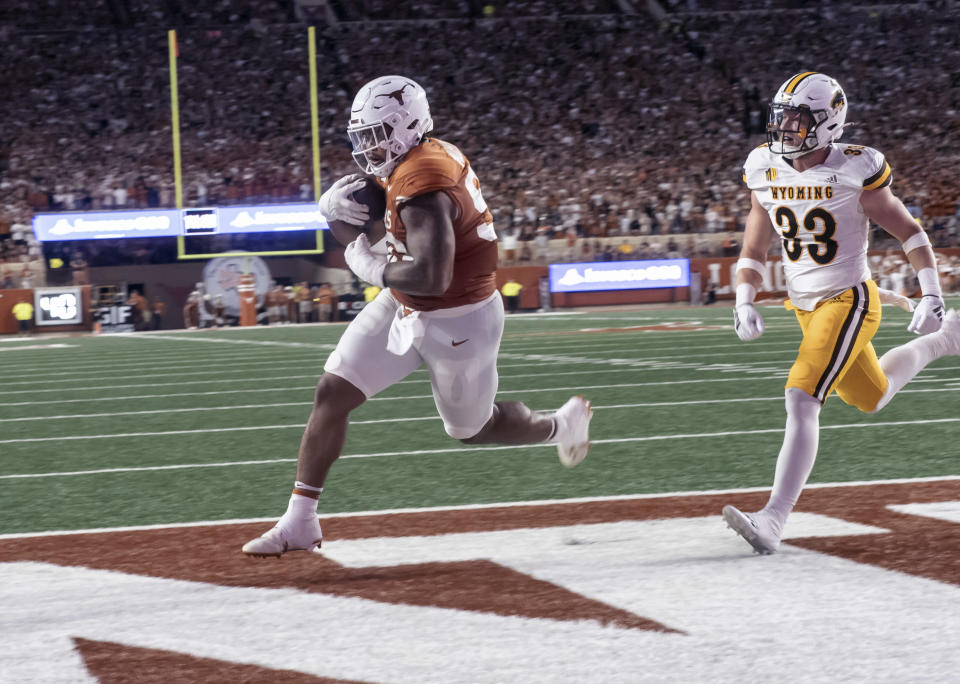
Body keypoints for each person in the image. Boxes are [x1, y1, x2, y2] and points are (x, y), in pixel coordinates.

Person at [242, 75, 592, 558]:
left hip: (459, 320)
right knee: (333, 391)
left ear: (407, 127)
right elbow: (392, 224)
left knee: (473, 429)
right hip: (407, 303)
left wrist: (368, 265)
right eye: (362, 135)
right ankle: (300, 520)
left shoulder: (425, 180)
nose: (368, 146)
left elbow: (431, 276)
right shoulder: (411, 158)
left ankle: (560, 426)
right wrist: (340, 214)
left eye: (377, 133)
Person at [723, 72, 960, 554]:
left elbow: (910, 233)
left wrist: (932, 293)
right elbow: (754, 245)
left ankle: (773, 518)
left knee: (802, 395)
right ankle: (945, 342)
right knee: (872, 396)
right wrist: (743, 298)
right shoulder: (762, 166)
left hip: (848, 299)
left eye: (797, 119)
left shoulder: (857, 166)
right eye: (782, 116)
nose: (785, 128)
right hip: (805, 304)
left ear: (829, 122)